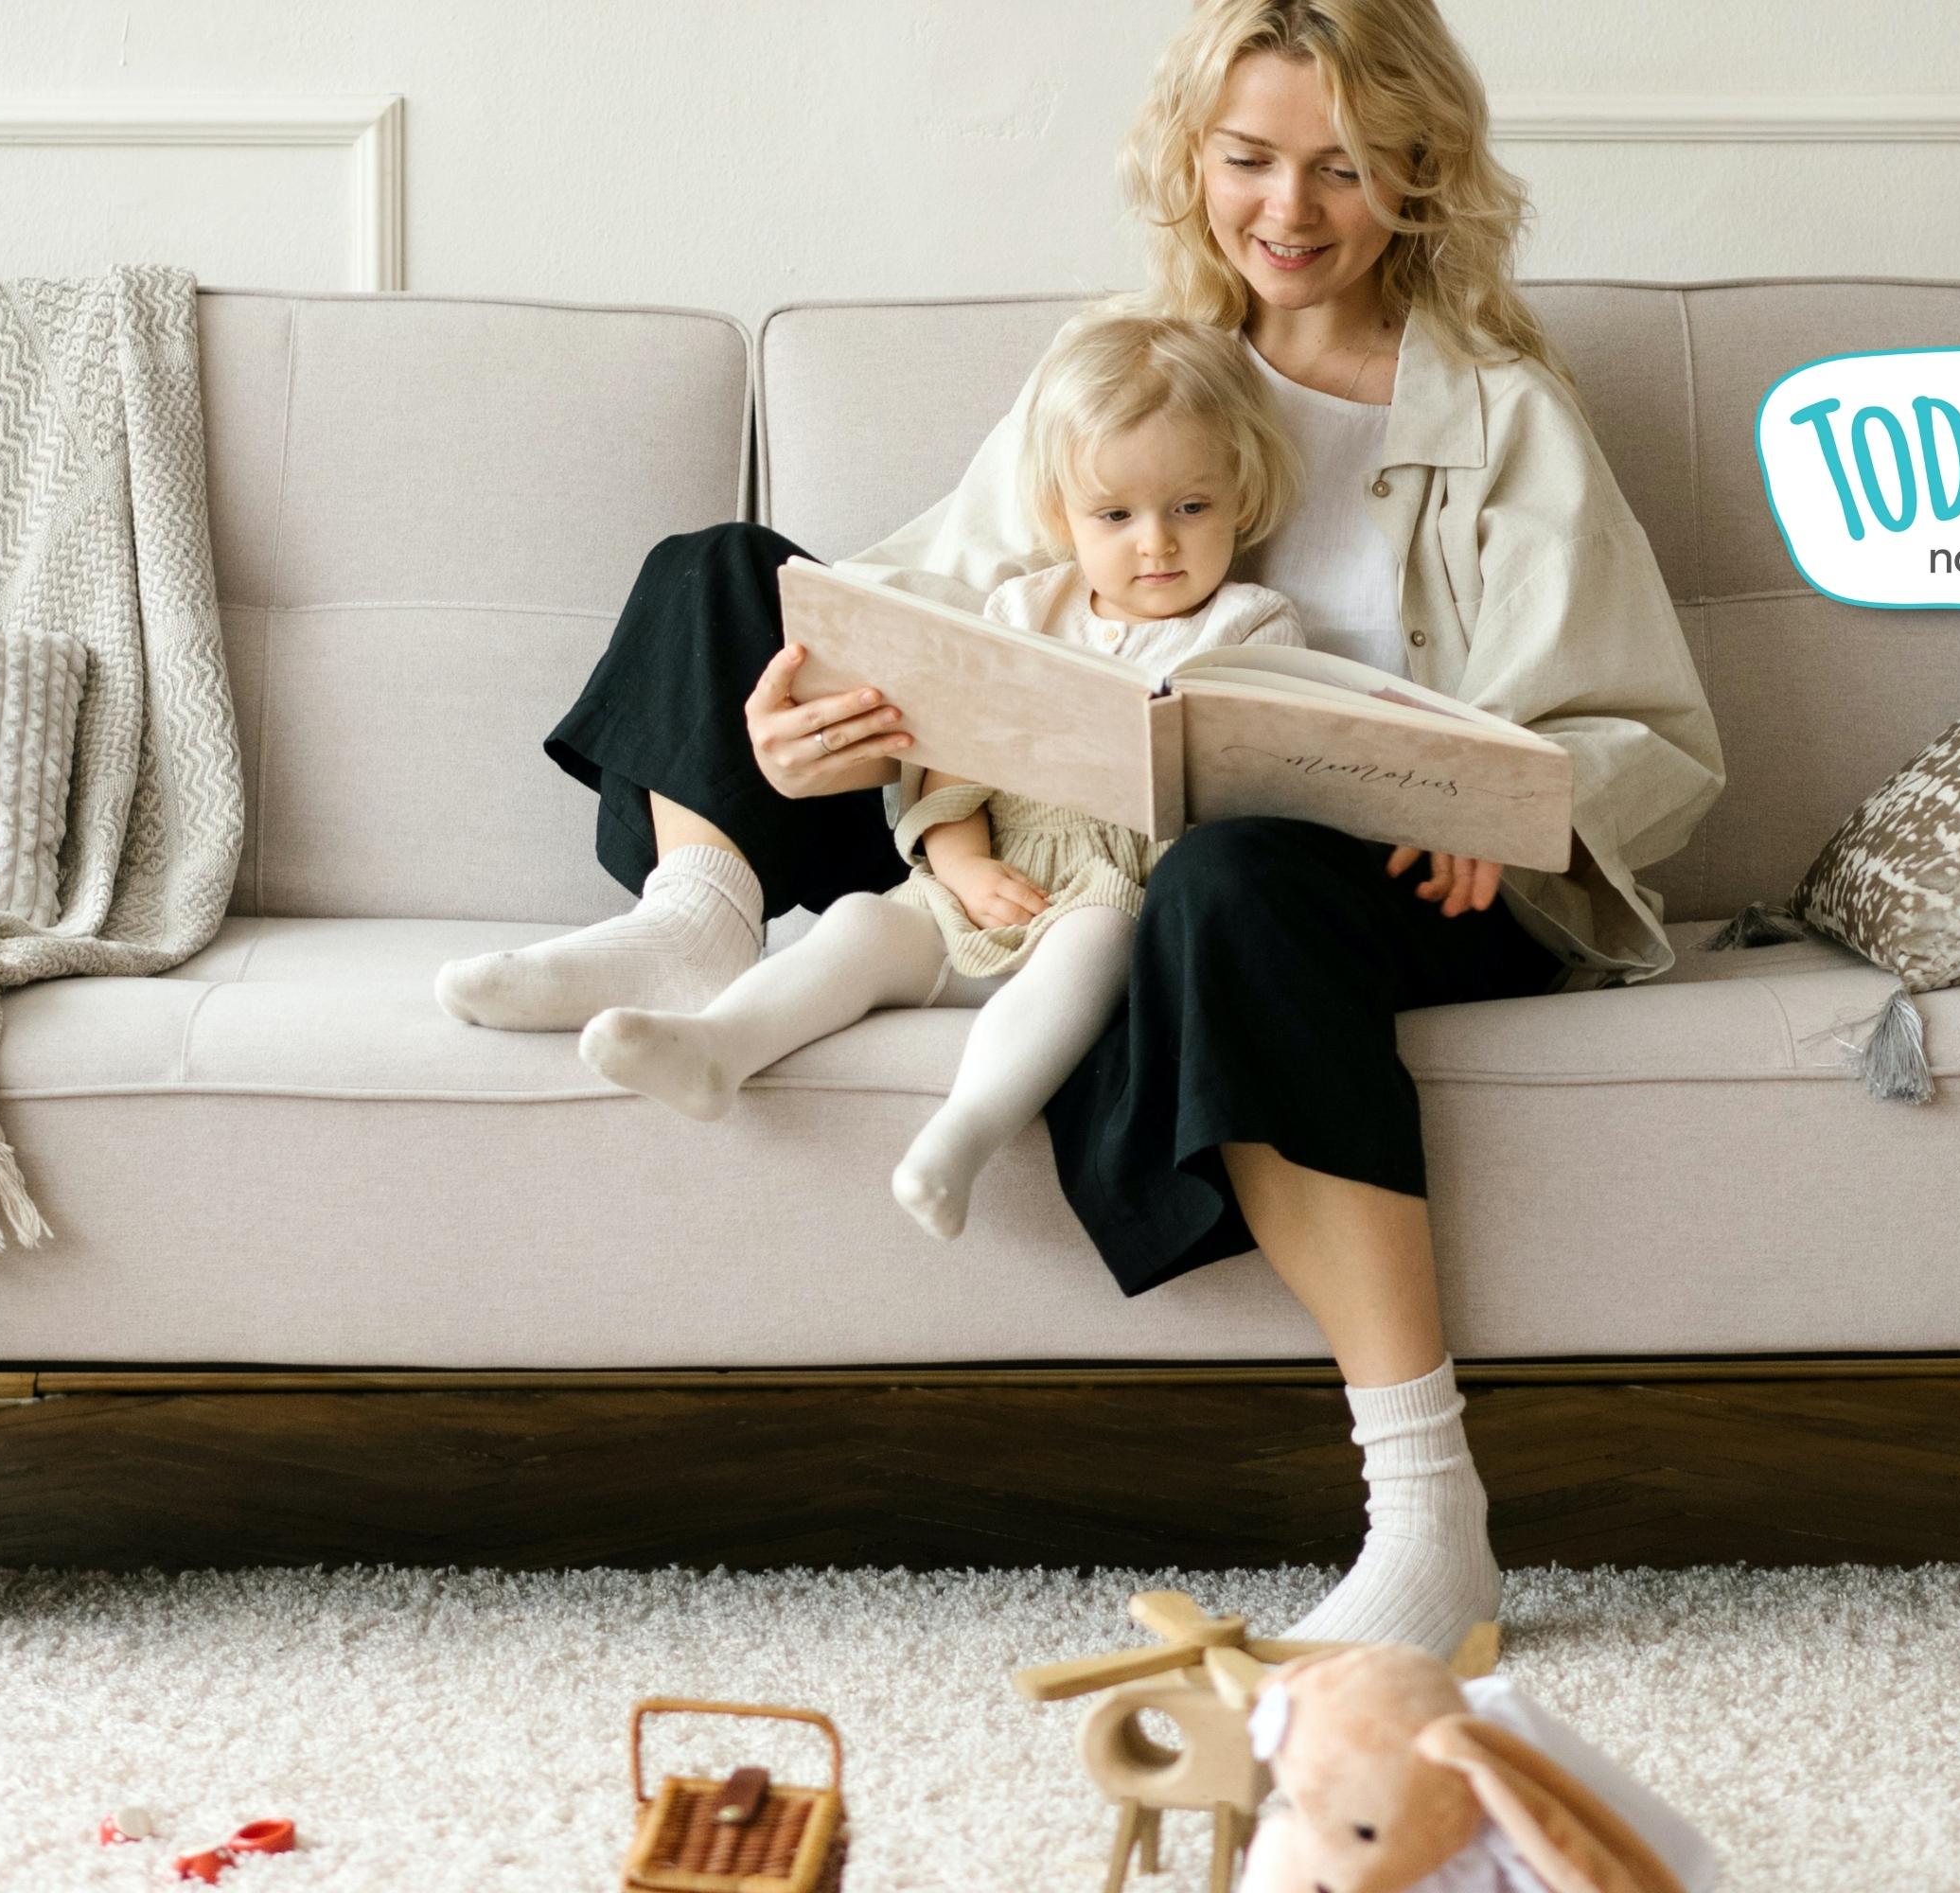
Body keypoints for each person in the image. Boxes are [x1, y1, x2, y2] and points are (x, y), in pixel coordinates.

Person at [435, 0, 1723, 1656]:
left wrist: (1521, 810)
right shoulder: (1133, 365)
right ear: (1194, 161)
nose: (1292, 210)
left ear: (1422, 170)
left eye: (1346, 166)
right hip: (1038, 835)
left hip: (1356, 882)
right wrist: (806, 707)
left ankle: (1430, 1520)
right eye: (1251, 159)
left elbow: (1644, 736)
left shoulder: (1500, 416)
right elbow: (925, 592)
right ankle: (701, 915)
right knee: (720, 574)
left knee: (1232, 872)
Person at [575, 309, 1308, 1245]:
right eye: (1115, 516)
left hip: (1122, 885)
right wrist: (959, 863)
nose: (1155, 544)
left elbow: (1259, 780)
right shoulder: (1021, 605)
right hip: (994, 861)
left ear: (1242, 497)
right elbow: (952, 756)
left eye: (1190, 508)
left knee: (1085, 956)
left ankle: (962, 1135)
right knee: (865, 924)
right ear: (1062, 519)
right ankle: (715, 1046)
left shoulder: (1252, 625)